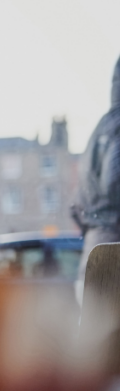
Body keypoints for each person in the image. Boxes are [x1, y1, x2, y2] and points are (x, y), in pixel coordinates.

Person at [72, 55, 120, 299]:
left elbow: (76, 207)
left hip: (92, 262)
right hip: (114, 263)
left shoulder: (101, 127)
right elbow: (114, 184)